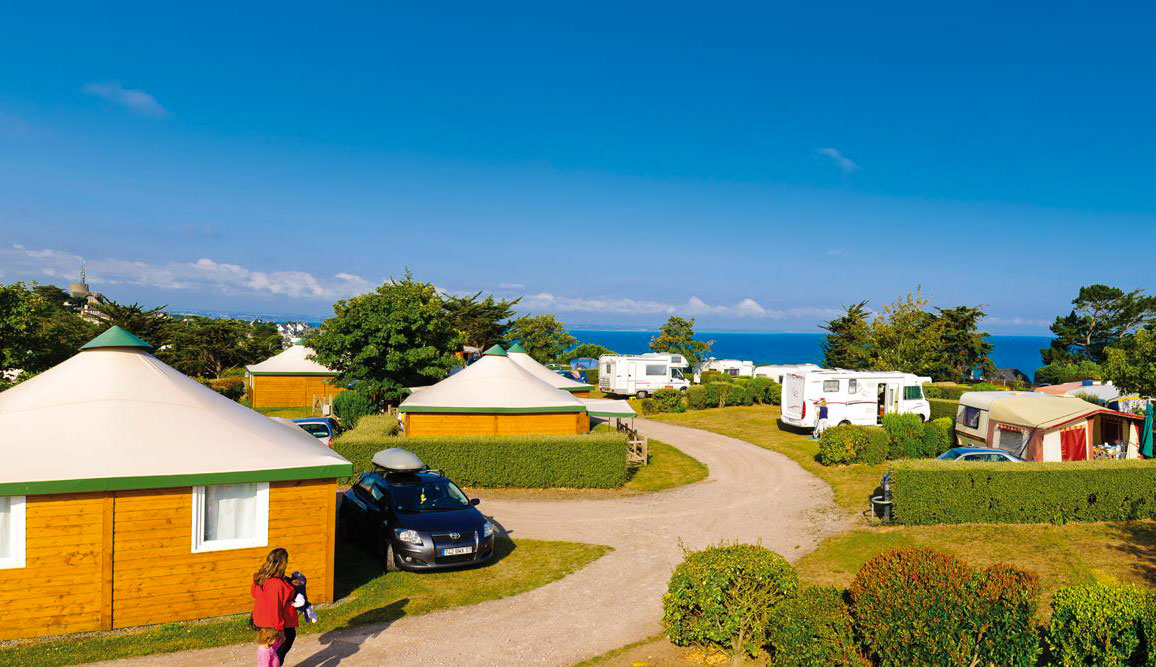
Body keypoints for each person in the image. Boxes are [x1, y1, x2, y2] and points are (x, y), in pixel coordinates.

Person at [251, 548, 299, 665]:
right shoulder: (276, 584)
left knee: (273, 649)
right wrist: (280, 630)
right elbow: (275, 608)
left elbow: (254, 593)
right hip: (275, 623)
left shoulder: (260, 578)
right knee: (277, 652)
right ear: (282, 564)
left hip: (264, 621)